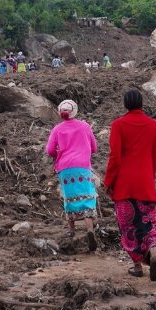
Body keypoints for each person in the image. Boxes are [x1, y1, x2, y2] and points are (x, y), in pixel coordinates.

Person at [104, 89, 156, 281]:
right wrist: (149, 178)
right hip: (145, 182)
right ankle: (153, 252)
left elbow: (115, 157)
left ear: (125, 104)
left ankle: (137, 266)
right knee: (148, 221)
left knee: (128, 227)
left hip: (124, 184)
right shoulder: (154, 125)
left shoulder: (118, 125)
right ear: (142, 103)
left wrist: (108, 182)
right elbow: (154, 156)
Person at [46, 100, 99, 252]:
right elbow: (94, 148)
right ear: (75, 111)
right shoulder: (85, 126)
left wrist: (60, 153)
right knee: (87, 196)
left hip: (65, 168)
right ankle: (89, 228)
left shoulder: (57, 129)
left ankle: (71, 229)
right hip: (82, 167)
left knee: (69, 197)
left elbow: (50, 150)